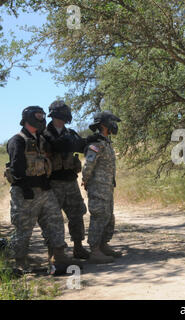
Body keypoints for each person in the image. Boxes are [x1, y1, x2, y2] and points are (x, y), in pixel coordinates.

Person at [4, 106, 80, 272]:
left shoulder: (41, 139)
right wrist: (25, 187)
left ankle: (58, 257)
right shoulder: (18, 140)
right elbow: (16, 168)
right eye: (37, 115)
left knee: (56, 222)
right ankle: (19, 262)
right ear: (28, 118)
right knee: (24, 229)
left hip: (44, 189)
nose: (41, 118)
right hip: (25, 192)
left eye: (42, 115)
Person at [43, 101, 90, 259]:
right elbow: (49, 149)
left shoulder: (70, 132)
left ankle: (78, 247)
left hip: (70, 180)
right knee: (52, 218)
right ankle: (54, 253)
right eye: (61, 115)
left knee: (76, 214)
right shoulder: (44, 133)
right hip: (53, 183)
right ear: (54, 115)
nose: (63, 119)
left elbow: (81, 146)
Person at [82, 111, 122, 264]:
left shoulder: (106, 142)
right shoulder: (96, 144)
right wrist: (85, 180)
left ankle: (103, 245)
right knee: (99, 216)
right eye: (112, 122)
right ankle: (95, 250)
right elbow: (88, 165)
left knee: (108, 216)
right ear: (104, 124)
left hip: (107, 187)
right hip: (98, 187)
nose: (115, 125)